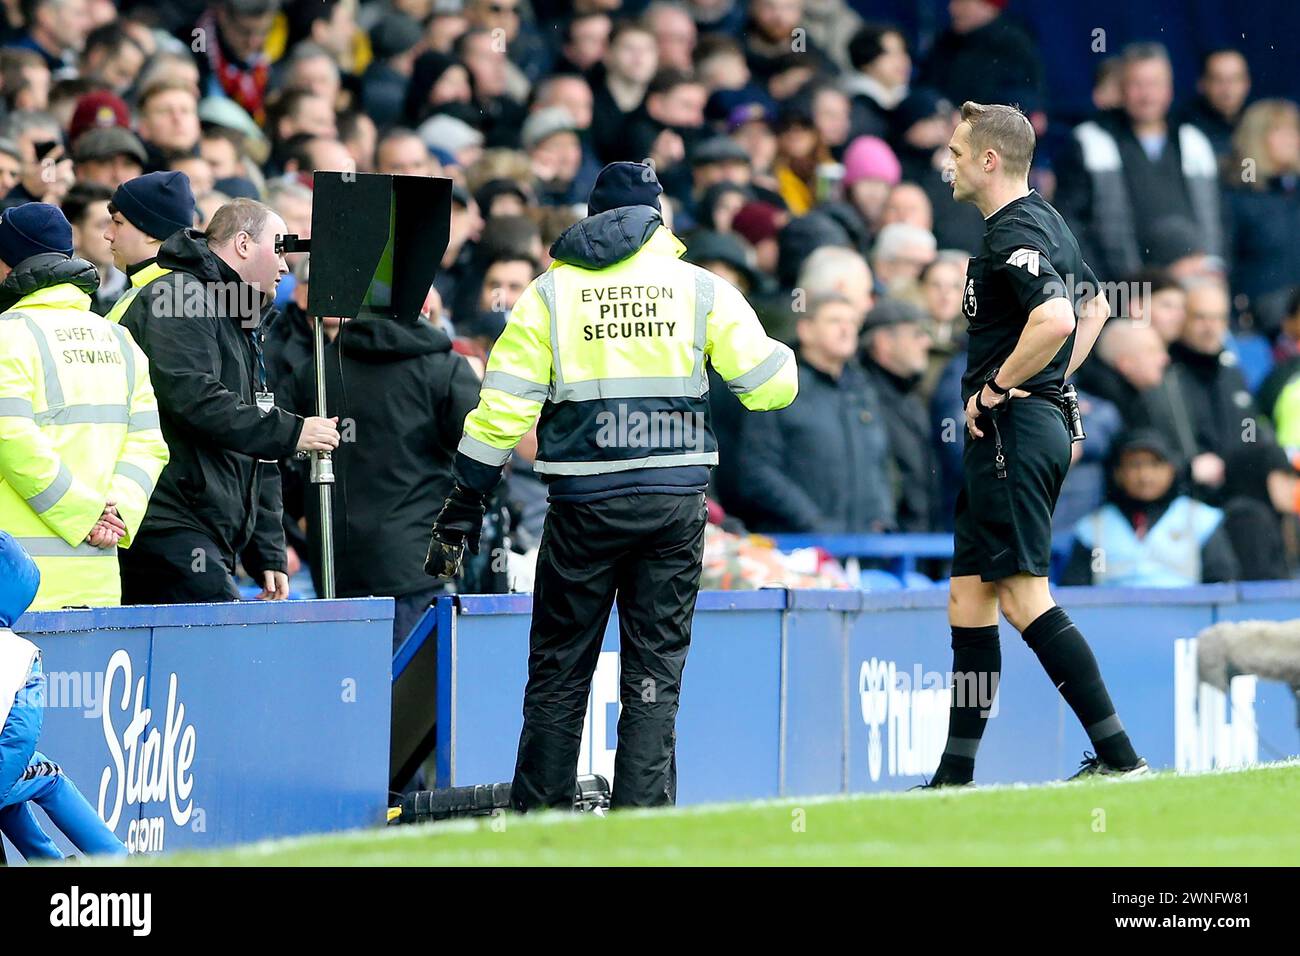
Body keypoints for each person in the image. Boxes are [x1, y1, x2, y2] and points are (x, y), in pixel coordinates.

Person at [426, 162, 797, 811]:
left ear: (591, 218)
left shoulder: (547, 295)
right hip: (672, 506)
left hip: (580, 506)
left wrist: (463, 507)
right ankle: (640, 832)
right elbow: (769, 388)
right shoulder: (697, 288)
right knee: (653, 677)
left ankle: (539, 826)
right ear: (658, 217)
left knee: (559, 674)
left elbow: (502, 415)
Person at [928, 101, 1147, 786]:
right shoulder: (1044, 219)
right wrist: (1052, 381)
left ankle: (1122, 760)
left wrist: (1000, 389)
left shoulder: (1012, 231)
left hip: (1011, 432)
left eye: (958, 153)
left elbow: (1055, 316)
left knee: (1024, 594)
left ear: (989, 161)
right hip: (1024, 426)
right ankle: (953, 781)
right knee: (969, 597)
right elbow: (1095, 308)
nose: (947, 163)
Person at [118, 199, 340, 604]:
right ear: (242, 243)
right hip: (167, 524)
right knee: (216, 647)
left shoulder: (238, 315)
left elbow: (255, 439)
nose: (286, 266)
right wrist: (293, 432)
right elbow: (194, 399)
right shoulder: (179, 295)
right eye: (277, 248)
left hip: (205, 530)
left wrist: (267, 549)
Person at [283, 278, 481, 650]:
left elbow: (281, 465)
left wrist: (302, 524)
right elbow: (484, 460)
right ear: (425, 313)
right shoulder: (445, 369)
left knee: (347, 695)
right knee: (410, 700)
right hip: (416, 571)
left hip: (334, 569)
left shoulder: (317, 374)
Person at [0, 202, 169, 611]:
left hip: (15, 594)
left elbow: (12, 439)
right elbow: (149, 446)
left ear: (8, 266)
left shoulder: (7, 337)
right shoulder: (119, 340)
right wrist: (116, 516)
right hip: (98, 583)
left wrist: (86, 515)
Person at [0, 533, 127, 861]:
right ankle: (116, 857)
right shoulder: (22, 654)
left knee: (15, 784)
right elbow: (20, 736)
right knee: (46, 775)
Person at [1056, 43, 1223, 281]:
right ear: (1122, 88)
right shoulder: (1090, 141)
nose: (1147, 95)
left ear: (1169, 89)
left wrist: (1214, 269)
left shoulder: (1194, 142)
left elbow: (1219, 223)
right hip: (1124, 293)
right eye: (1137, 85)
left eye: (1155, 84)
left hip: (1195, 287)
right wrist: (1106, 289)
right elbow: (1071, 225)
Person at [741, 292, 893, 533]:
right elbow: (758, 469)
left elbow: (881, 465)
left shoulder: (863, 391)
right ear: (806, 330)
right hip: (797, 548)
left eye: (852, 322)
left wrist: (883, 520)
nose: (846, 329)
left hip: (865, 551)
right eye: (834, 321)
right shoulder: (779, 386)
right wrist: (814, 523)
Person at [1062, 430, 1239, 587]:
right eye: (1134, 465)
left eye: (1155, 464)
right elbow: (1077, 589)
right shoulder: (1093, 528)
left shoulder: (1201, 520)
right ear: (1118, 473)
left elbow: (1221, 586)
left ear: (1172, 469)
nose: (1145, 476)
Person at [102, 171, 196, 325]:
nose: (108, 234)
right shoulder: (154, 289)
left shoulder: (168, 297)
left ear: (152, 232)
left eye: (118, 222)